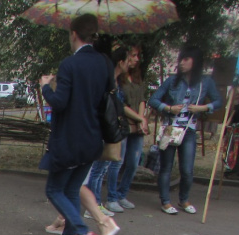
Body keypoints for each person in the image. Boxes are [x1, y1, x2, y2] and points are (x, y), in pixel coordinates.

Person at [39, 14, 108, 235]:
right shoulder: (104, 64)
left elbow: (59, 103)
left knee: (54, 190)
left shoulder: (70, 64)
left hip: (69, 139)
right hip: (93, 139)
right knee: (71, 190)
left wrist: (46, 86)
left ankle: (82, 232)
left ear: (74, 34)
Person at [149, 46, 222, 214]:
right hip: (171, 127)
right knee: (166, 167)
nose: (181, 63)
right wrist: (168, 108)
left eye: (186, 59)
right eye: (180, 59)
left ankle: (184, 199)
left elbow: (218, 101)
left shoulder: (206, 82)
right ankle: (165, 201)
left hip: (188, 129)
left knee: (187, 169)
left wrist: (203, 108)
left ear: (195, 62)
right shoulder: (172, 81)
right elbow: (154, 99)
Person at [85, 46, 146, 214]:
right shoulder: (108, 80)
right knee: (98, 169)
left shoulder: (116, 81)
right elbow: (107, 106)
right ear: (121, 62)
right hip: (104, 128)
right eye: (129, 59)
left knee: (103, 167)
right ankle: (93, 206)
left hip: (110, 128)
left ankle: (96, 205)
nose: (131, 63)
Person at [113, 44, 149, 209]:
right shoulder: (118, 78)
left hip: (138, 125)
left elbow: (142, 98)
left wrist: (141, 119)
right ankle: (112, 196)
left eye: (137, 56)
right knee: (117, 161)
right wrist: (139, 118)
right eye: (132, 56)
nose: (135, 60)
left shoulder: (137, 77)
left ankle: (122, 194)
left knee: (133, 162)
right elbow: (120, 104)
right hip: (124, 123)